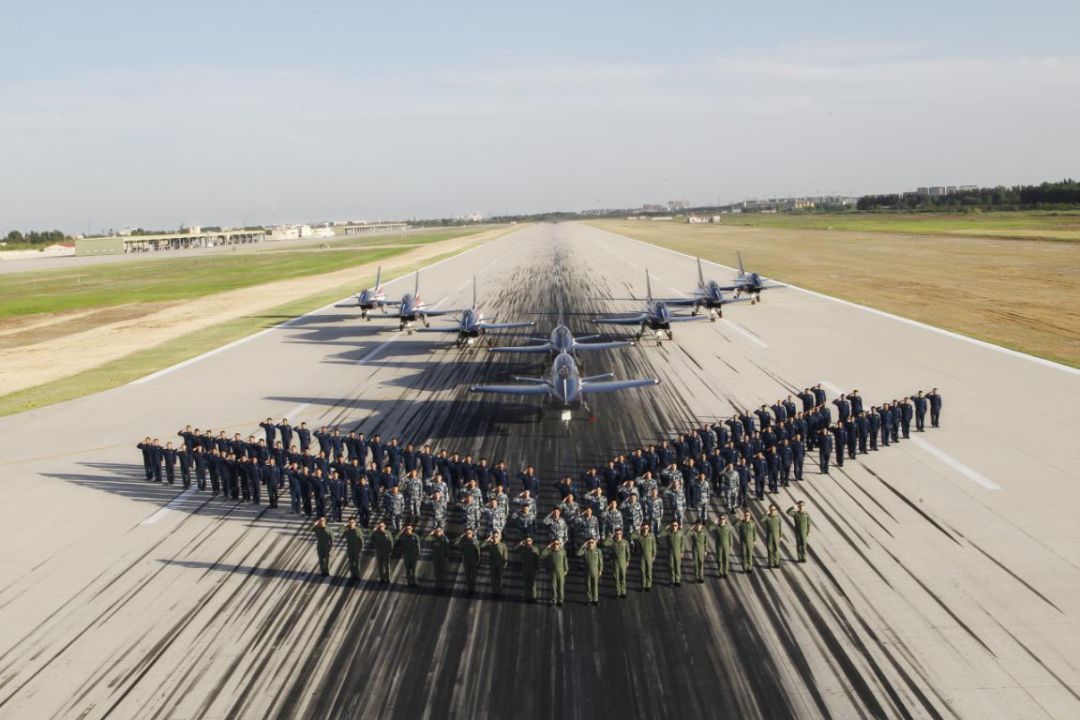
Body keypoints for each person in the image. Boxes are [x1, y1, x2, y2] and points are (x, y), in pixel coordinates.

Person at [603, 528, 631, 599]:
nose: (618, 535)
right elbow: (604, 543)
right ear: (615, 534)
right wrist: (610, 537)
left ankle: (623, 593)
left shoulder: (625, 542)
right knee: (616, 578)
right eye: (617, 534)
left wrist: (627, 561)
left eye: (620, 534)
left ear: (622, 534)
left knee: (623, 578)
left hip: (623, 562)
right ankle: (618, 593)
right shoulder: (613, 543)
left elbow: (628, 553)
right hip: (615, 563)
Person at [541, 539, 569, 607]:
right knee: (553, 586)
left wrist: (566, 570)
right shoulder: (550, 552)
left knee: (561, 587)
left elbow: (565, 561)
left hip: (561, 572)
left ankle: (561, 600)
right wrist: (548, 546)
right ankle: (554, 599)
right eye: (554, 544)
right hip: (553, 572)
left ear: (559, 545)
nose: (556, 545)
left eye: (557, 544)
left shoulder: (562, 551)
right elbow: (542, 554)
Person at [577, 538, 604, 606]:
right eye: (589, 542)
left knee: (595, 586)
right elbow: (578, 553)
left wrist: (600, 570)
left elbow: (600, 561)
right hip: (587, 571)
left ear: (594, 543)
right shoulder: (585, 551)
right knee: (588, 586)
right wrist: (583, 545)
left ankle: (595, 600)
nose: (591, 544)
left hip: (595, 571)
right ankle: (589, 599)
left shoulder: (598, 551)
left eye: (592, 542)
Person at [659, 520, 687, 587]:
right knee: (671, 566)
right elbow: (660, 534)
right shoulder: (669, 533)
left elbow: (682, 543)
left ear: (678, 526)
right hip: (670, 552)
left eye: (675, 525)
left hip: (678, 552)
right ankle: (672, 581)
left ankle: (677, 580)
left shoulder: (680, 534)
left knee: (677, 566)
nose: (674, 527)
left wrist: (682, 552)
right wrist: (666, 528)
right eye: (673, 525)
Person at [631, 523, 657, 592]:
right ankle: (643, 585)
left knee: (649, 571)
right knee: (642, 571)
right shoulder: (639, 536)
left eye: (647, 528)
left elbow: (654, 546)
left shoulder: (651, 536)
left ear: (649, 529)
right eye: (644, 528)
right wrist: (638, 530)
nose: (645, 530)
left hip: (649, 556)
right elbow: (632, 536)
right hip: (641, 556)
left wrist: (654, 555)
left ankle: (648, 586)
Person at [456, 528, 482, 594]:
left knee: (473, 574)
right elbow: (455, 543)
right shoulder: (463, 540)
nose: (468, 534)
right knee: (467, 575)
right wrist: (461, 536)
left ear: (472, 534)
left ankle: (472, 588)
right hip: (466, 559)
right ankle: (469, 589)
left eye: (469, 533)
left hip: (473, 559)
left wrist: (478, 560)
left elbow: (478, 551)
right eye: (467, 533)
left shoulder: (475, 541)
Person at [515, 536, 541, 602]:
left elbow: (537, 559)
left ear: (532, 541)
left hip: (533, 569)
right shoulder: (523, 549)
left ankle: (533, 597)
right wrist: (520, 544)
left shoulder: (535, 549)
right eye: (526, 541)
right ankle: (527, 597)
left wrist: (537, 567)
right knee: (526, 583)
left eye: (529, 541)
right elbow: (515, 550)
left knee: (533, 584)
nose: (528, 542)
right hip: (525, 568)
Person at [484, 531, 509, 596]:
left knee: (500, 579)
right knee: (493, 579)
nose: (495, 538)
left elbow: (505, 556)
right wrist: (488, 540)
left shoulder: (503, 545)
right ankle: (494, 593)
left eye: (496, 537)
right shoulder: (490, 545)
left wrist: (505, 564)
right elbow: (481, 546)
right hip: (493, 565)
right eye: (493, 537)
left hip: (500, 565)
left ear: (499, 537)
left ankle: (499, 593)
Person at [708, 514, 734, 578]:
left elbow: (730, 536)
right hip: (719, 546)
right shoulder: (717, 527)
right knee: (719, 559)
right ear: (719, 520)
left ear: (725, 520)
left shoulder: (728, 527)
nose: (722, 520)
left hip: (726, 545)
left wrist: (730, 545)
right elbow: (710, 528)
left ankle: (726, 572)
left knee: (726, 559)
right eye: (721, 519)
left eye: (723, 519)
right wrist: (714, 522)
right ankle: (720, 572)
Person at [425, 527, 451, 591]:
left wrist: (447, 557)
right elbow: (426, 539)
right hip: (435, 557)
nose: (438, 532)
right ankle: (437, 585)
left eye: (439, 531)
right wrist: (431, 533)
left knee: (442, 572)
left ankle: (442, 586)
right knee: (436, 572)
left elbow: (447, 548)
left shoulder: (444, 539)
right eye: (437, 531)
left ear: (442, 532)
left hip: (442, 557)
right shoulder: (433, 538)